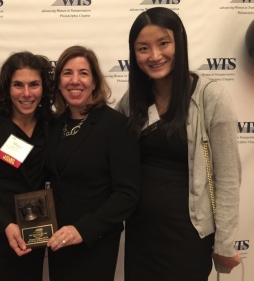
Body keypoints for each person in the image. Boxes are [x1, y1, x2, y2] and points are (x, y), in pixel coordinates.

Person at [115, 7, 242, 281]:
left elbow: (229, 178)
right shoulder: (132, 100)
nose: (155, 56)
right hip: (140, 234)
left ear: (180, 43)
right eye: (143, 48)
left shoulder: (211, 97)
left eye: (163, 43)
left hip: (188, 236)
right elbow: (106, 144)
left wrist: (224, 242)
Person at [45, 45, 141, 281]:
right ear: (58, 82)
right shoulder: (53, 124)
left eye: (83, 73)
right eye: (67, 73)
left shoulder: (116, 126)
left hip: (94, 244)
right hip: (57, 240)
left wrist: (83, 229)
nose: (74, 81)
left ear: (95, 81)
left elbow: (127, 194)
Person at [0, 51, 54, 281]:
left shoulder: (51, 125)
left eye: (34, 84)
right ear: (7, 88)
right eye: (18, 85)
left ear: (43, 88)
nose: (27, 93)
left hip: (32, 236)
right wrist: (6, 224)